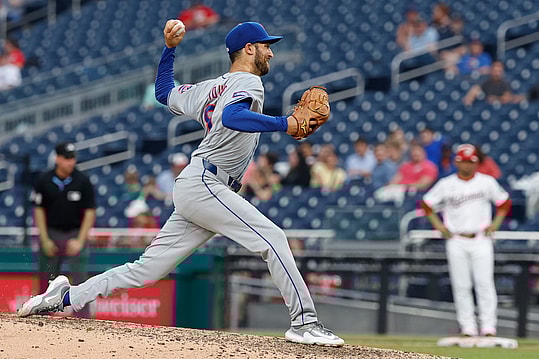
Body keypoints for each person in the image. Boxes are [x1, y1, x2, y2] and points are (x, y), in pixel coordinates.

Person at [19, 20, 344, 346]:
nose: (271, 53)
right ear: (249, 48)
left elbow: (164, 91)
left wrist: (169, 49)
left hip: (199, 185)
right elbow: (232, 117)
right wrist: (284, 122)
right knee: (272, 238)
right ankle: (305, 323)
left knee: (145, 270)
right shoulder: (250, 82)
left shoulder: (209, 88)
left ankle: (65, 296)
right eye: (266, 46)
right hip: (207, 184)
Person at [421, 144, 511, 337]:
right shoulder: (447, 184)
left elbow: (504, 203)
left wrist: (495, 224)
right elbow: (426, 204)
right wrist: (439, 226)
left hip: (481, 239)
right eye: (464, 161)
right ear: (457, 162)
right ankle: (467, 327)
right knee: (461, 285)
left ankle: (488, 327)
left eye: (472, 162)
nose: (468, 165)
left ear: (476, 163)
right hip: (456, 239)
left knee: (484, 283)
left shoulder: (486, 182)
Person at [30, 141, 96, 316]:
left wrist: (81, 240)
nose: (70, 162)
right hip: (51, 233)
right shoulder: (44, 180)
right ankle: (41, 316)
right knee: (47, 277)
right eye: (67, 158)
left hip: (75, 234)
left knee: (81, 280)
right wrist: (44, 239)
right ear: (58, 159)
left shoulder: (82, 181)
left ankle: (84, 319)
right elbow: (38, 210)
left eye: (73, 158)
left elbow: (90, 212)